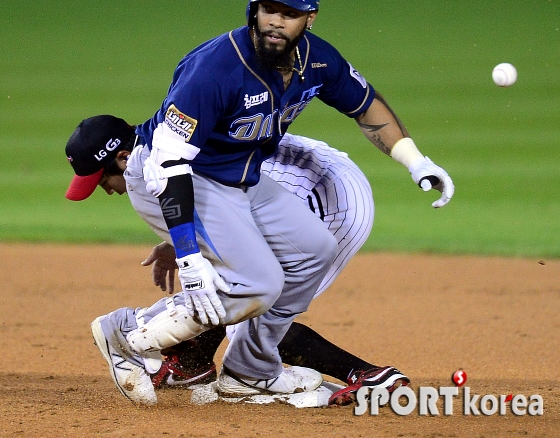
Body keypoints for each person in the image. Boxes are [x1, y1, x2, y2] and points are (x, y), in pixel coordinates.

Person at [65, 0, 453, 406]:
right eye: (267, 8)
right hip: (176, 175)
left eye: (288, 13)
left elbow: (364, 107)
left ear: (310, 19)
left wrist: (415, 159)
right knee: (257, 283)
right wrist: (189, 254)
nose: (274, 20)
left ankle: (250, 369)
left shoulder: (318, 60)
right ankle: (125, 332)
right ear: (254, 9)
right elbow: (170, 162)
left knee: (314, 252)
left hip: (241, 180)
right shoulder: (214, 68)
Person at [65, 114, 410, 405]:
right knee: (240, 287)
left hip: (322, 192)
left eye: (101, 179)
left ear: (122, 156)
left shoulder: (150, 170)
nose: (105, 189)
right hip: (293, 170)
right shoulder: (157, 146)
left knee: (254, 301)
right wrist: (180, 242)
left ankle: (365, 374)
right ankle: (192, 361)